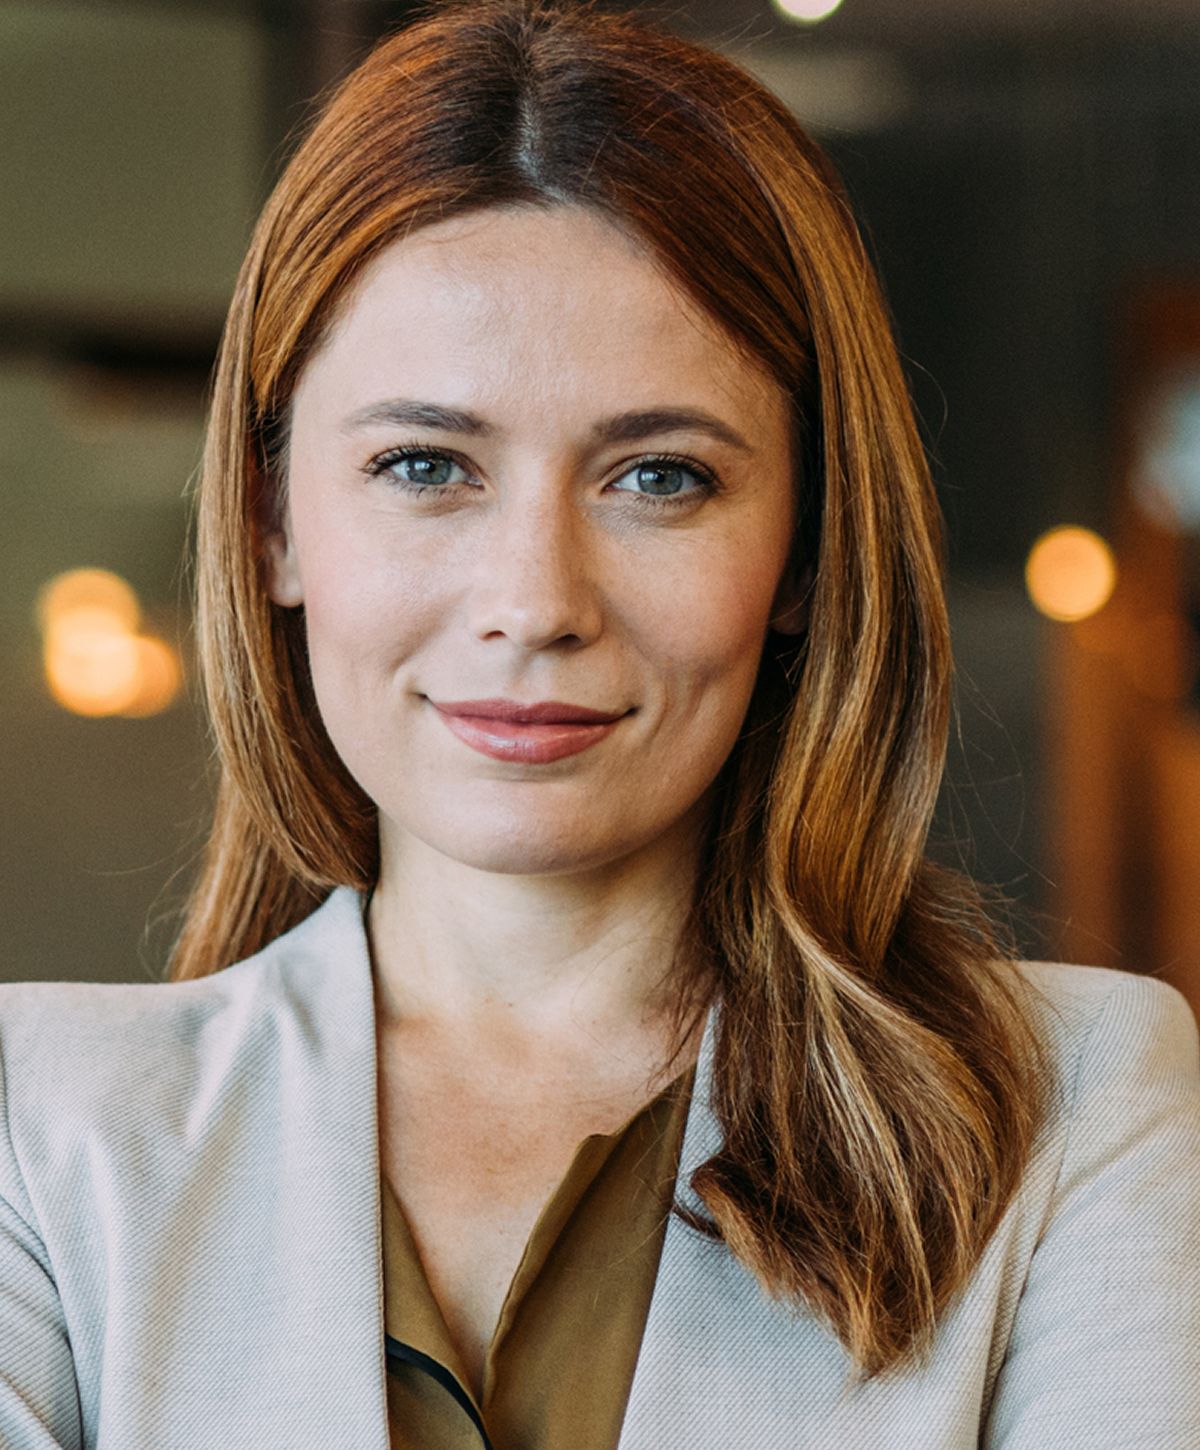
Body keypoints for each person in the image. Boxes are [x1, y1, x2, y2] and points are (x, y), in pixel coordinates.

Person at [2, 0, 1198, 1445]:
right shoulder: (41, 1131)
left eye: (660, 478)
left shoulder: (1071, 1109)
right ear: (271, 521)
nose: (534, 600)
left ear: (810, 544)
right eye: (427, 463)